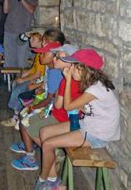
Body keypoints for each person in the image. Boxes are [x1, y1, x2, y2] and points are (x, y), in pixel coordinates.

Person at [34, 49, 120, 189]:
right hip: (89, 124)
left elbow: (67, 106)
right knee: (44, 132)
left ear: (82, 68)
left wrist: (67, 80)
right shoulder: (92, 84)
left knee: (48, 144)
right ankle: (52, 179)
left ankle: (43, 182)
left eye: (73, 66)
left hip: (98, 134)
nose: (70, 68)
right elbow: (90, 107)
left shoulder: (95, 89)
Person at [10, 44, 80, 172]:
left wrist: (34, 107)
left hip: (60, 116)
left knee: (25, 123)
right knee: (25, 118)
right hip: (56, 111)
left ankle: (35, 155)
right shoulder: (58, 74)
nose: (54, 59)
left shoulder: (60, 76)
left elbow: (56, 103)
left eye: (57, 57)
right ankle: (33, 146)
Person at [1, 30, 45, 128]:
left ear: (41, 41)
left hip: (38, 80)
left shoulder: (43, 54)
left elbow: (38, 74)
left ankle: (16, 118)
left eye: (33, 39)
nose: (30, 41)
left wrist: (24, 79)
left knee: (19, 89)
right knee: (16, 83)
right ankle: (18, 114)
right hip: (34, 77)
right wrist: (25, 74)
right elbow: (34, 69)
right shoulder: (38, 53)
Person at [2, 0, 38, 68]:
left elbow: (31, 10)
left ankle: (21, 83)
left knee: (22, 62)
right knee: (9, 62)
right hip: (9, 31)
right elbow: (5, 11)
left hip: (23, 32)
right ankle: (11, 83)